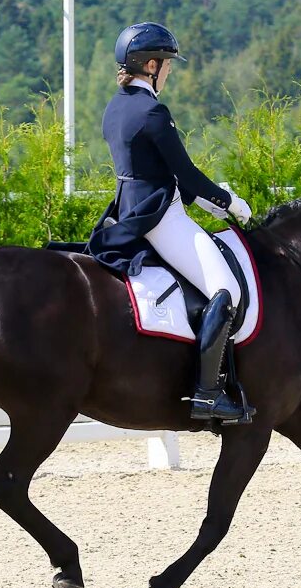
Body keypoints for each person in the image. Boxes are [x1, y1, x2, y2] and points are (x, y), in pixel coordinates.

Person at [86, 22, 254, 423]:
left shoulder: (116, 107)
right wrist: (230, 203)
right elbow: (186, 173)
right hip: (162, 217)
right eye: (167, 65)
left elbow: (154, 170)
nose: (170, 72)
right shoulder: (153, 111)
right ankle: (207, 394)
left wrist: (207, 205)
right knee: (226, 291)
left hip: (127, 208)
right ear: (150, 65)